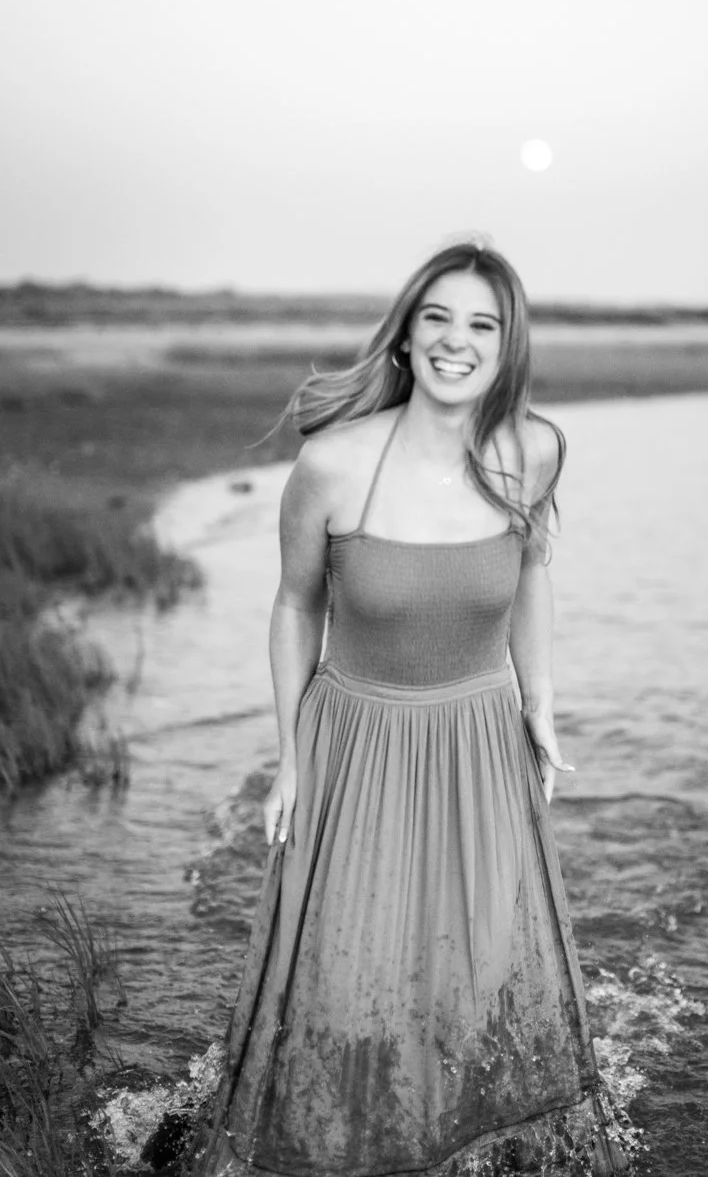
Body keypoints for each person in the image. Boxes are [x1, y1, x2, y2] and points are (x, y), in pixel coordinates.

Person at [192, 240, 627, 1176]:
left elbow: (534, 569)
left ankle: (463, 1144)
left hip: (480, 740)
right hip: (358, 742)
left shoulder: (534, 451)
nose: (456, 342)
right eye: (437, 318)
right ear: (406, 335)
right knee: (347, 976)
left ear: (508, 347)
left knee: (472, 974)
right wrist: (290, 758)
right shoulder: (333, 465)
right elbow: (296, 604)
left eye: (482, 325)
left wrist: (541, 702)